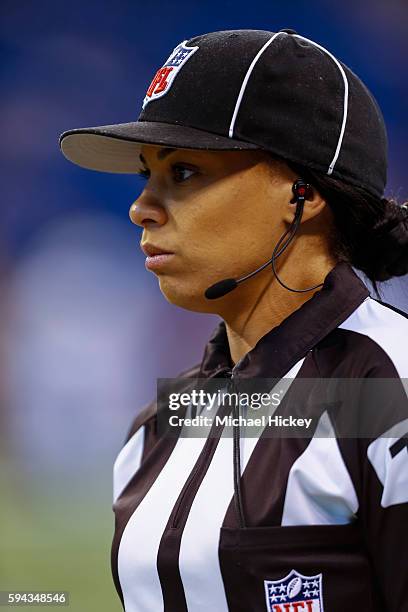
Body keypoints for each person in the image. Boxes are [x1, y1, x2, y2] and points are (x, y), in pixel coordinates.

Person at [59, 29, 408, 612]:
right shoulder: (158, 427)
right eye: (146, 173)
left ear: (305, 193)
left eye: (185, 172)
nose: (141, 207)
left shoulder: (392, 393)